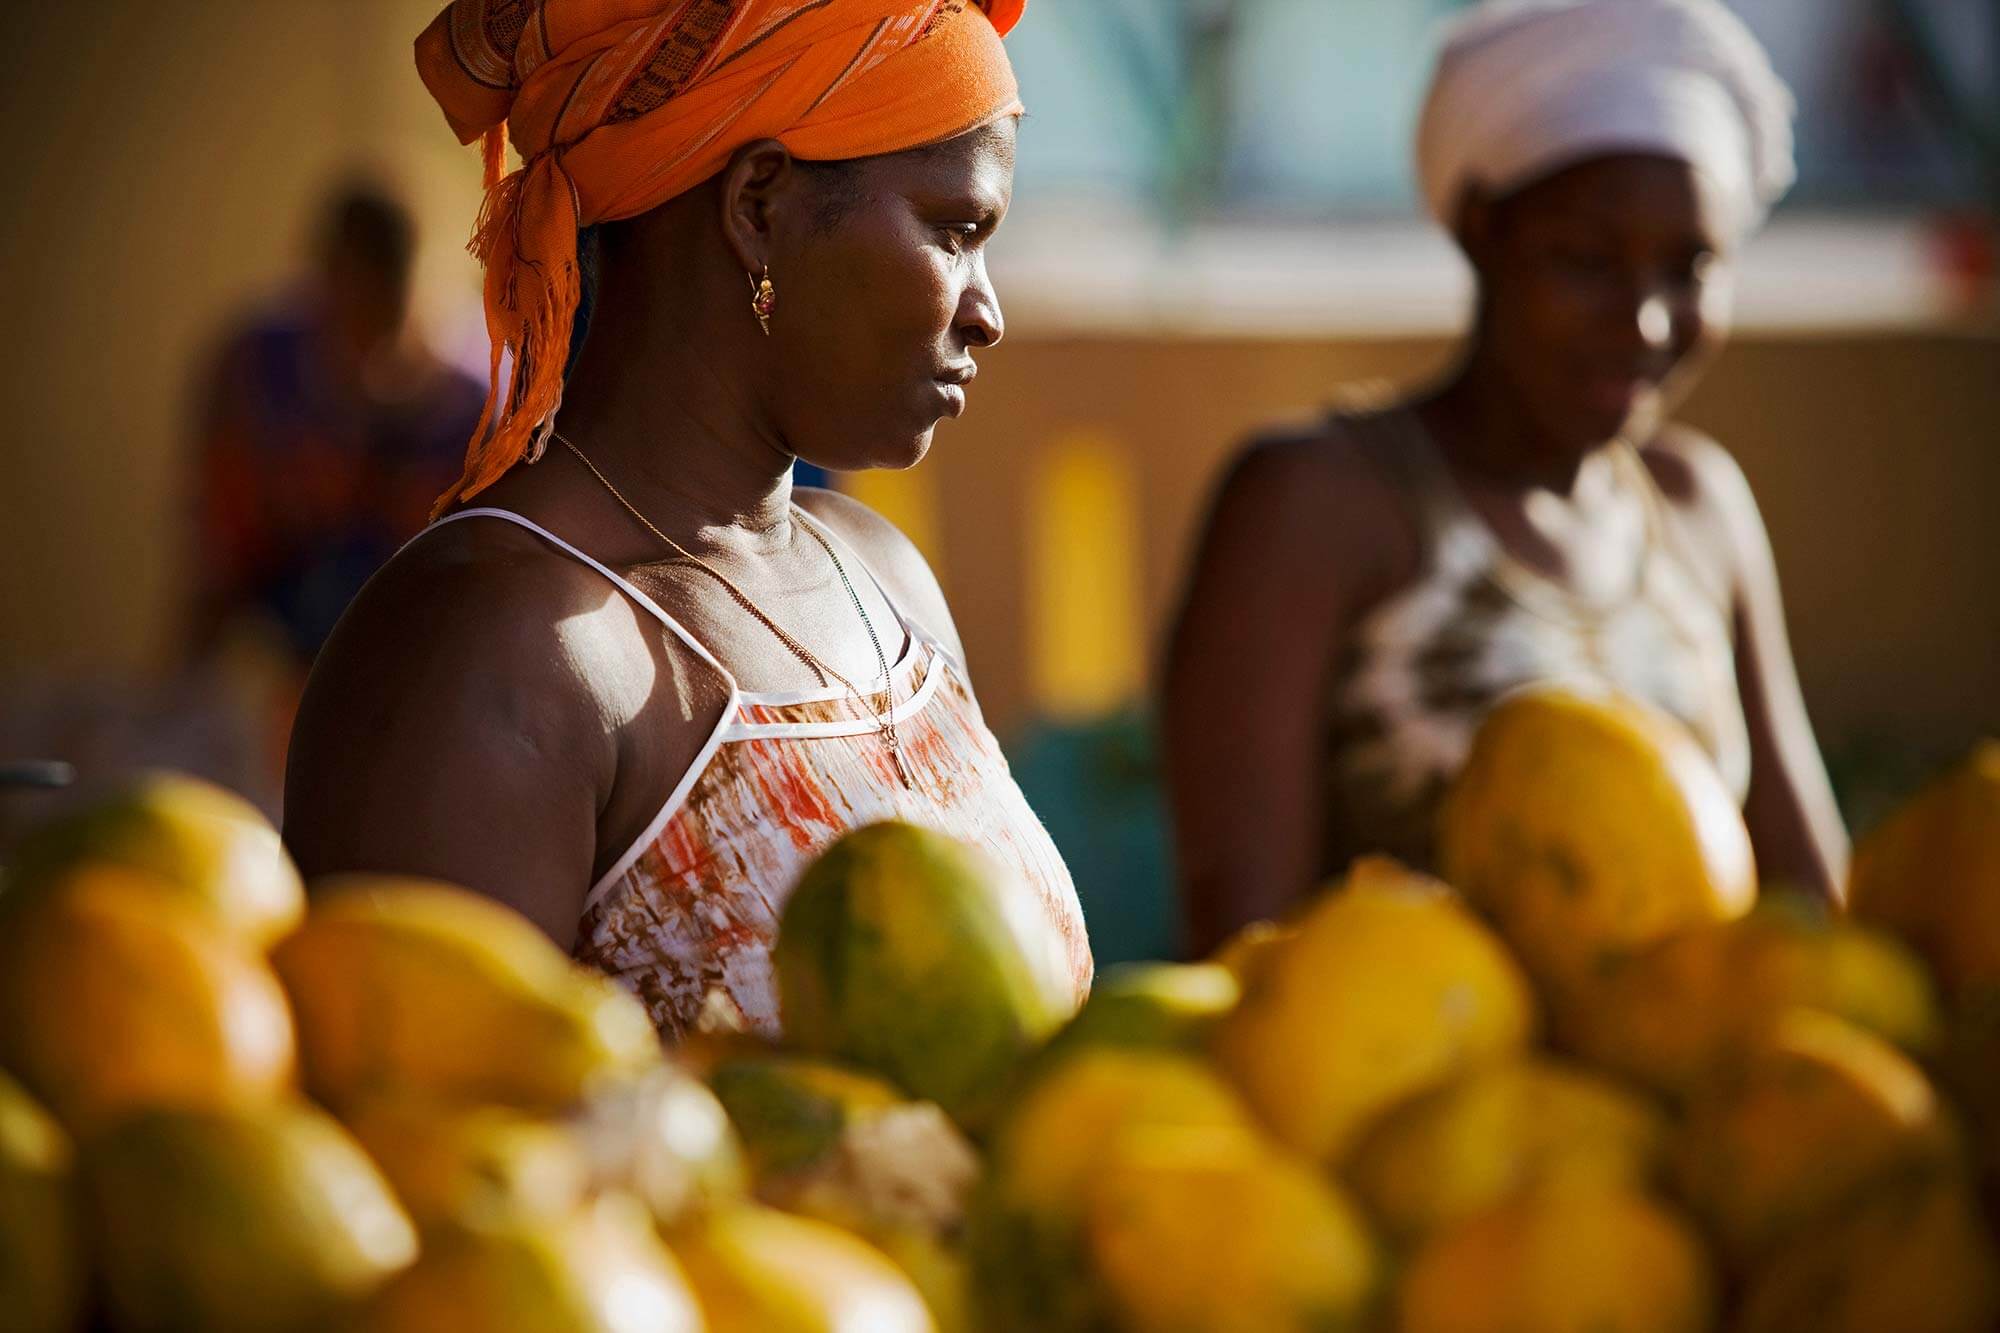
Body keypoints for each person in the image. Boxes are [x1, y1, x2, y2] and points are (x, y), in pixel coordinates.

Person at [284, 0, 1091, 1040]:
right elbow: (443, 1161)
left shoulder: (882, 579)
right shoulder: (493, 655)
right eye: (953, 230)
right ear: (757, 204)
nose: (987, 311)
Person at [1164, 0, 1849, 957]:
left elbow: (1812, 911)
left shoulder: (1700, 510)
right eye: (1585, 260)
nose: (1647, 321)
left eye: (1690, 265)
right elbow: (1248, 955)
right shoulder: (1321, 506)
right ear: (1484, 231)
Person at [190, 182, 484, 666]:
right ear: (321, 282)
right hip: (274, 659)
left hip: (425, 663)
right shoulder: (256, 369)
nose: (368, 363)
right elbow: (215, 559)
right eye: (349, 312)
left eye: (389, 321)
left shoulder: (486, 399)